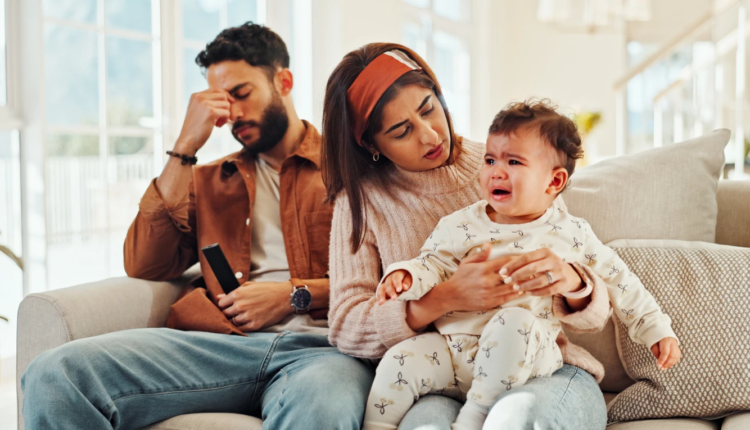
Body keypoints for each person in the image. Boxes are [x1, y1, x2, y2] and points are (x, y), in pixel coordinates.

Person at [21, 23, 373, 430]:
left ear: (284, 82)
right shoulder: (209, 181)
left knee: (320, 410)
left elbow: (392, 278)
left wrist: (292, 296)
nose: (233, 114)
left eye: (242, 93)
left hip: (324, 349)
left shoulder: (354, 169)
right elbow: (145, 264)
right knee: (56, 374)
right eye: (222, 102)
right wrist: (185, 146)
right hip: (217, 344)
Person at [321, 43, 611, 430]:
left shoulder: (509, 163)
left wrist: (574, 283)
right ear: (372, 145)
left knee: (518, 420)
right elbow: (345, 324)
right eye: (402, 131)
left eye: (428, 109)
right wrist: (443, 299)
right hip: (443, 374)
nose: (429, 136)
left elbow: (598, 300)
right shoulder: (361, 202)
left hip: (543, 369)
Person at [364, 100, 682, 430]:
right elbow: (431, 264)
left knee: (513, 321)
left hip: (527, 355)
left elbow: (620, 281)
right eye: (490, 159)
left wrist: (655, 328)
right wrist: (405, 275)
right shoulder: (458, 225)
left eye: (513, 161)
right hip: (454, 352)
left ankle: (474, 418)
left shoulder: (571, 233)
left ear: (553, 182)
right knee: (399, 360)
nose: (496, 171)